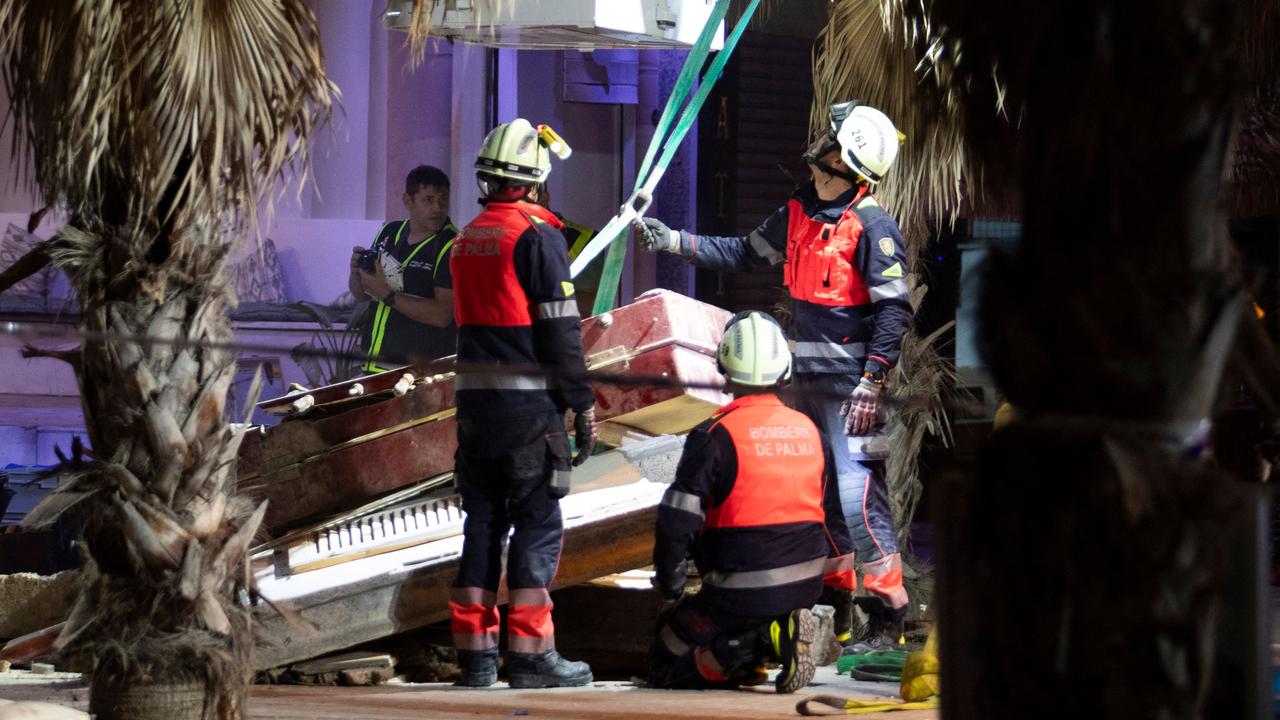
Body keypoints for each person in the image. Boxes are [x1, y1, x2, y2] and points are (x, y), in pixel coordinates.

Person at [635, 103, 913, 654]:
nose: (820, 144)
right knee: (823, 497)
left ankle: (889, 612)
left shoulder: (874, 229)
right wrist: (674, 242)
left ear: (847, 163)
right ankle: (835, 608)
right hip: (805, 382)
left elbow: (894, 312)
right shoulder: (797, 212)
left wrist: (873, 382)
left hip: (851, 387)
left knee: (860, 502)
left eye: (831, 142)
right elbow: (742, 253)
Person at [448, 119, 598, 688]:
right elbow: (560, 331)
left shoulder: (466, 238)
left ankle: (477, 659)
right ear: (535, 180)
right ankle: (533, 658)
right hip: (527, 416)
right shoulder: (537, 236)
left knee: (482, 525)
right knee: (537, 524)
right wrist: (580, 403)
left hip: (475, 415)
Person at [649, 311, 845, 693]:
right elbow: (834, 520)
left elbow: (675, 520)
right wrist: (839, 594)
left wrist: (671, 589)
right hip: (806, 588)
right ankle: (767, 640)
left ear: (724, 365)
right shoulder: (811, 432)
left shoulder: (714, 434)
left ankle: (756, 644)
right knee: (724, 624)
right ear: (784, 369)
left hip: (737, 594)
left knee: (666, 654)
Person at [349, 165, 458, 373]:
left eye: (443, 199)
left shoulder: (452, 244)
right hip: (373, 367)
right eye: (429, 199)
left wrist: (388, 295)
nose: (438, 208)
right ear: (408, 201)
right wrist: (356, 273)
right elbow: (362, 295)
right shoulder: (390, 231)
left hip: (417, 375)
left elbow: (443, 315)